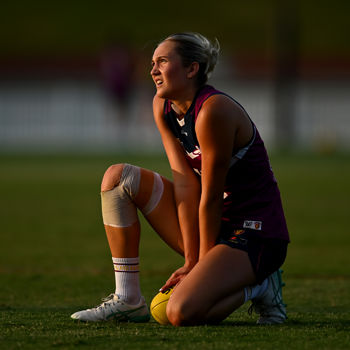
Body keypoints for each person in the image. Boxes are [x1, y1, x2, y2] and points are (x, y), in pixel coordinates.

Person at [71, 32, 290, 326]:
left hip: (255, 233)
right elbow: (186, 185)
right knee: (118, 179)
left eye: (162, 61)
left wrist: (200, 261)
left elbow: (211, 196)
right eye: (152, 63)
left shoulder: (213, 110)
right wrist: (191, 259)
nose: (153, 70)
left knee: (177, 312)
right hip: (214, 224)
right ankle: (127, 300)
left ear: (191, 69)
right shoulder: (162, 107)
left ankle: (261, 286)